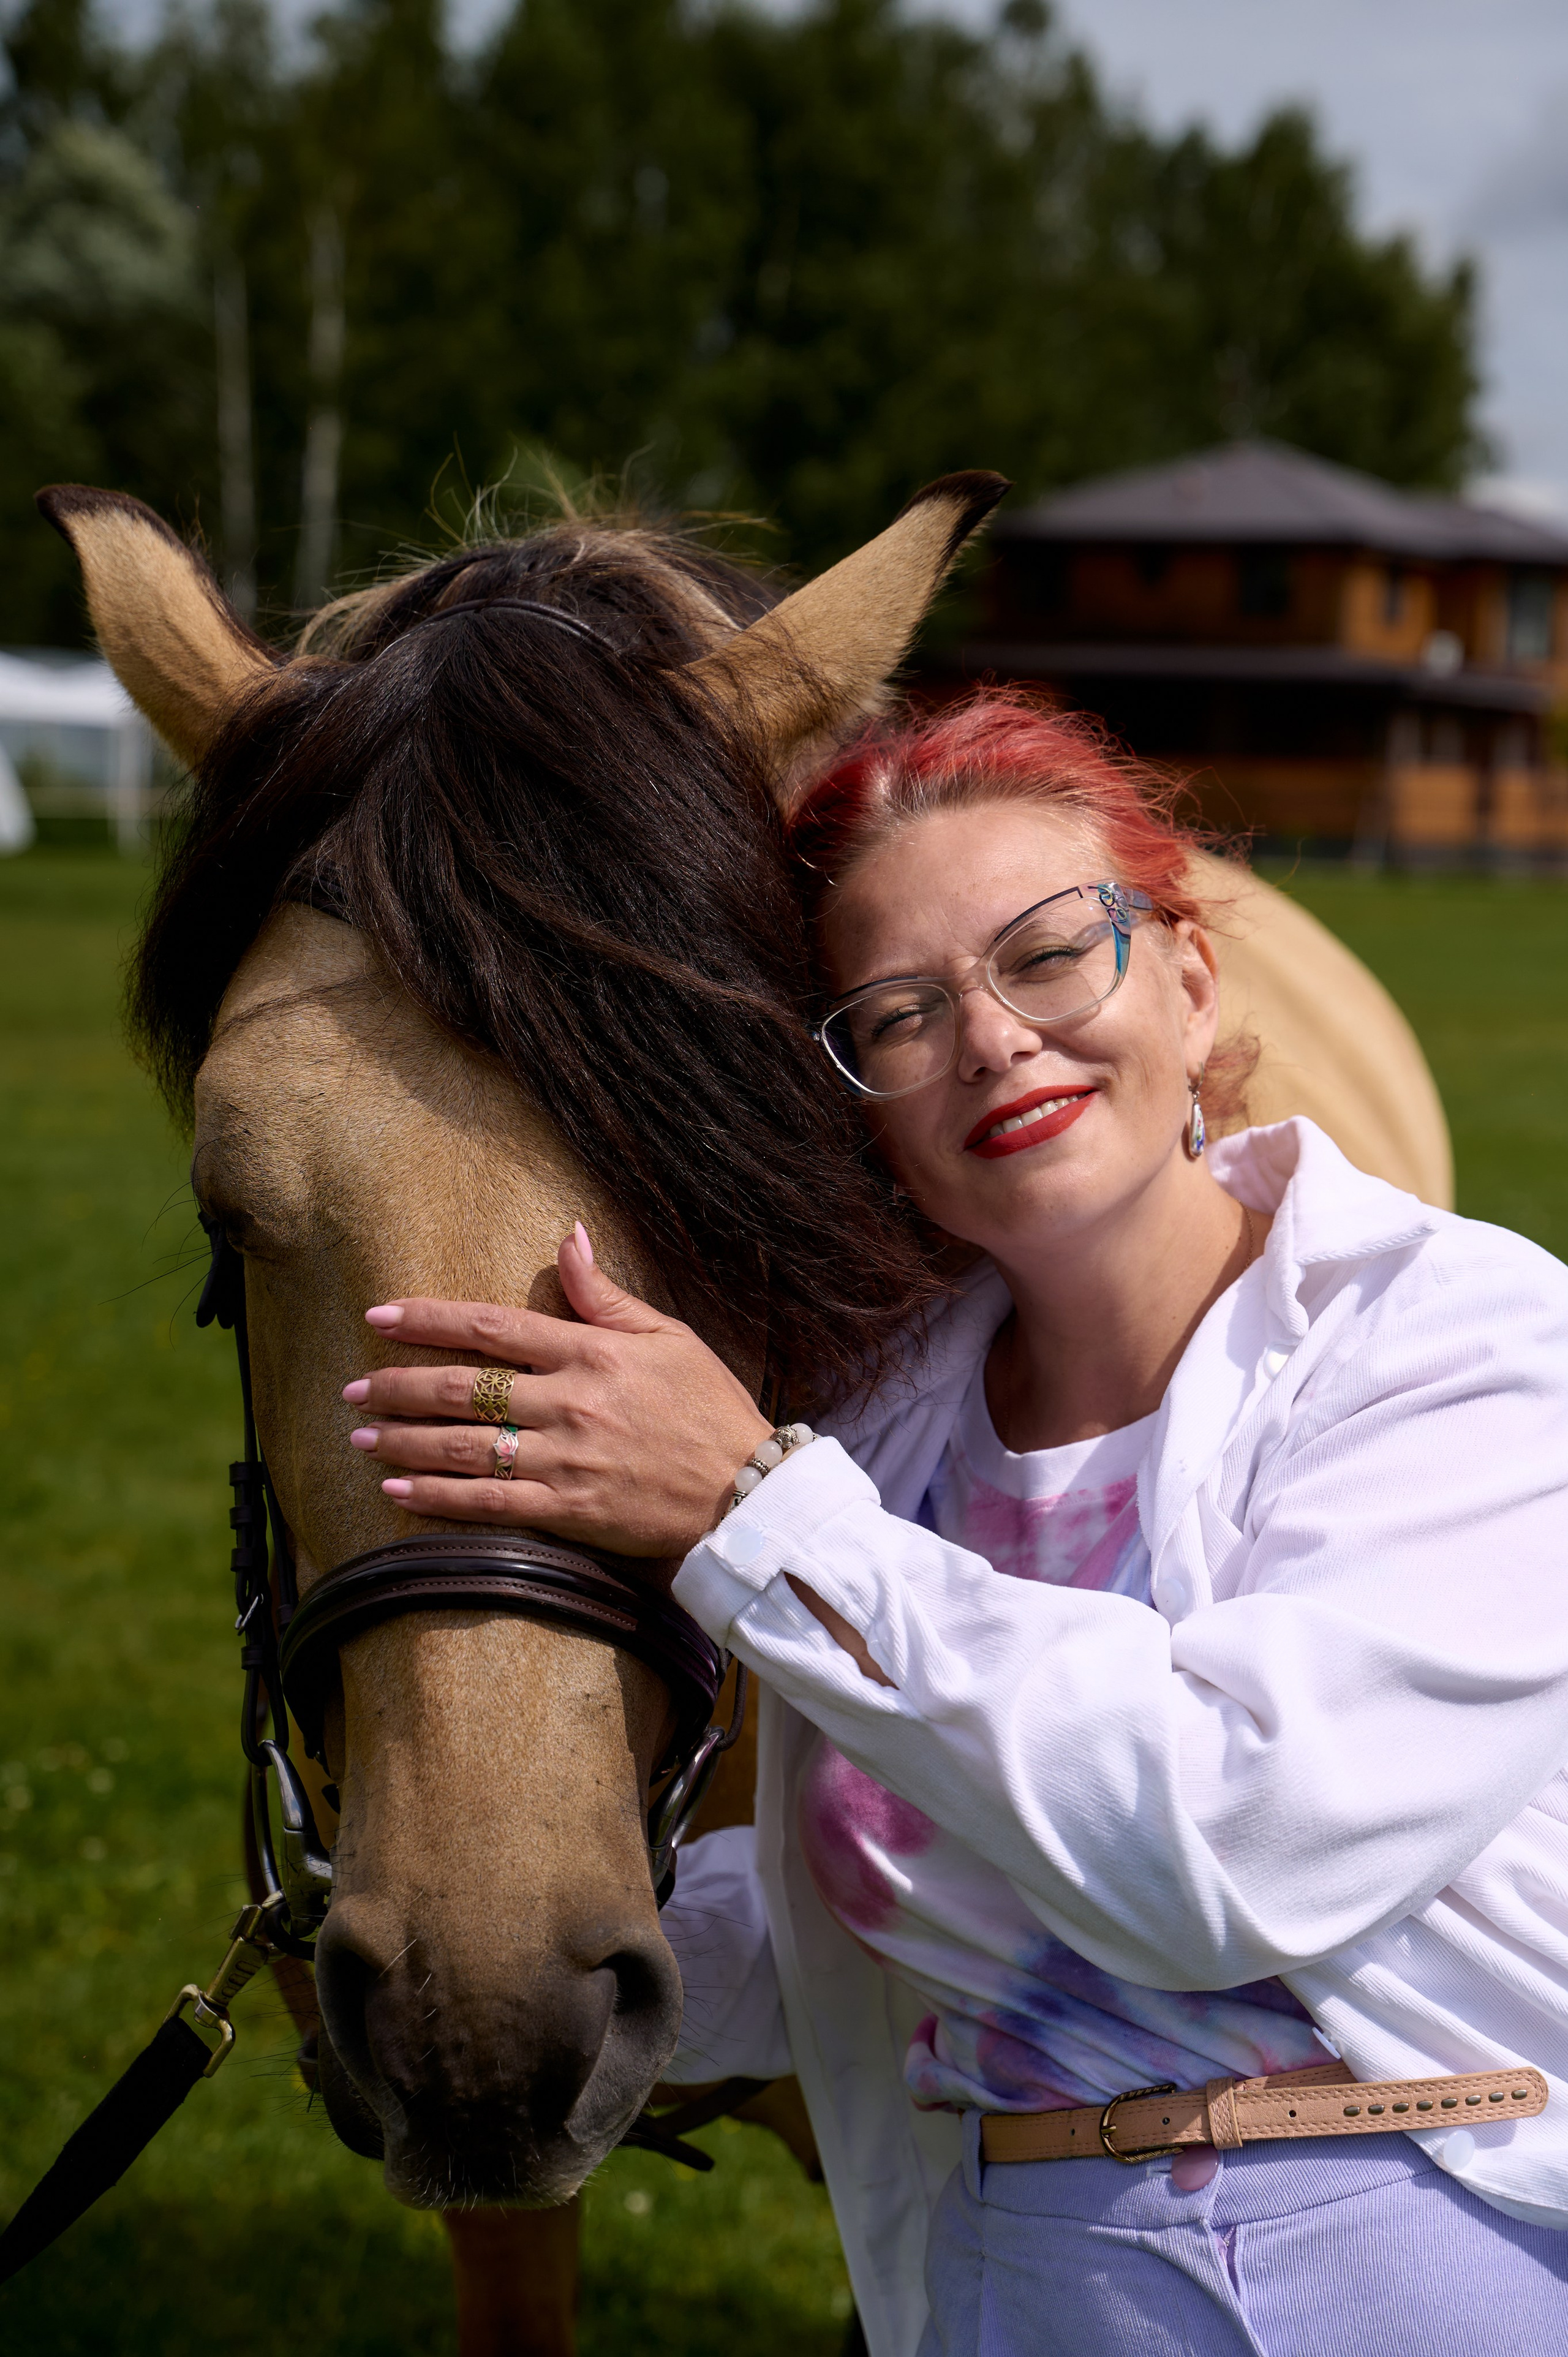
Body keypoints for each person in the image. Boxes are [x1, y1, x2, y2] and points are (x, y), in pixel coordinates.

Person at [340, 693, 1568, 2356]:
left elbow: (1228, 1846)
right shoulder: (889, 1442)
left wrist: (749, 1510)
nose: (991, 1039)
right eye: (900, 1015)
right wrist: (495, 1948)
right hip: (1008, 2283)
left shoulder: (1467, 1344)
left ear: (1193, 982)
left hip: (1410, 2241)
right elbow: (937, 1903)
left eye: (1050, 954)